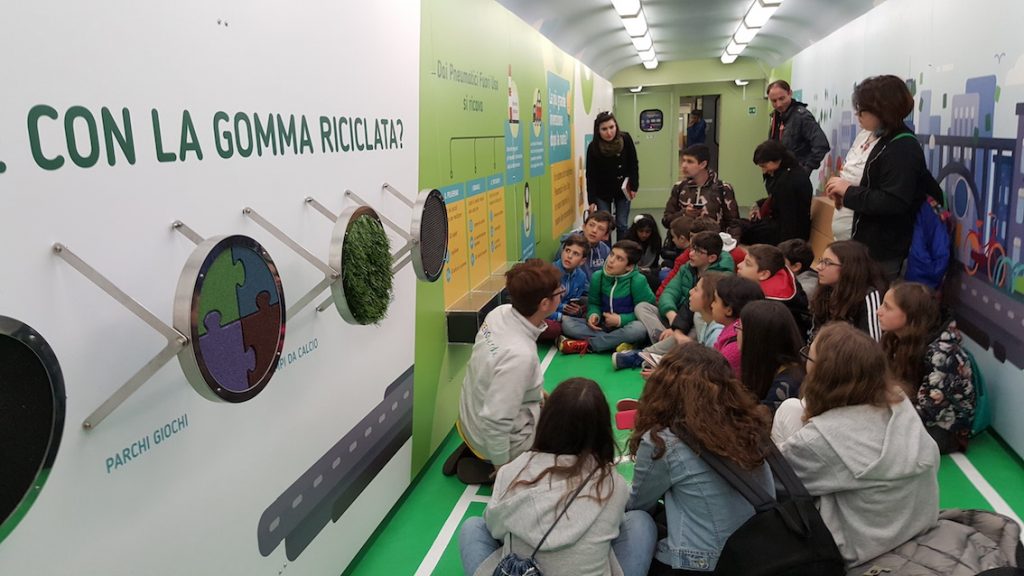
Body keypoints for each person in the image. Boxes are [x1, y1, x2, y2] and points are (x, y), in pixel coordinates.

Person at [772, 322, 940, 568]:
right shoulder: (900, 405)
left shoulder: (822, 440)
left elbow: (773, 482)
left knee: (789, 410)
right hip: (915, 526)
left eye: (809, 355)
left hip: (858, 552)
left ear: (823, 375)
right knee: (794, 408)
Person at [459, 378, 656, 576]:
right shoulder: (613, 484)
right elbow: (615, 527)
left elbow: (495, 528)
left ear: (546, 421)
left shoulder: (512, 471)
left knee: (473, 527)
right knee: (640, 521)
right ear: (602, 430)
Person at [627, 343, 774, 574]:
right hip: (760, 554)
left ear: (663, 387)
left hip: (704, 563)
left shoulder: (663, 441)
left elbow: (639, 504)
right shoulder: (750, 426)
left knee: (637, 522)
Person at [453, 259, 563, 483]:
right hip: (493, 440)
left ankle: (476, 452)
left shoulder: (499, 313)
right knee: (568, 435)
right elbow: (496, 422)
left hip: (468, 422)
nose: (562, 292)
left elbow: (498, 373)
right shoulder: (520, 356)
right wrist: (504, 471)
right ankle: (491, 466)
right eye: (559, 291)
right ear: (544, 304)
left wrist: (536, 393)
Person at [824, 75, 933, 281]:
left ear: (883, 110)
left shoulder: (903, 148)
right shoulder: (868, 134)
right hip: (854, 245)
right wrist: (840, 188)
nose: (857, 114)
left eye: (862, 109)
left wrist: (848, 191)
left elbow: (893, 201)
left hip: (878, 251)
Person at [877, 282, 976, 453]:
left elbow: (929, 411)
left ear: (910, 315)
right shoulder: (895, 338)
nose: (879, 311)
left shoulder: (942, 354)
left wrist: (882, 413)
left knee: (878, 439)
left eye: (887, 307)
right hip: (909, 409)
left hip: (944, 429)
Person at [613, 271, 726, 370]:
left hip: (697, 355)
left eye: (696, 289)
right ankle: (657, 353)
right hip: (673, 322)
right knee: (642, 307)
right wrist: (675, 326)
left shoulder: (716, 334)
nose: (690, 292)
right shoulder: (699, 314)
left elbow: (707, 371)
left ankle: (650, 355)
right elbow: (667, 293)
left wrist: (666, 371)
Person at [559, 240, 655, 354]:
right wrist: (594, 315)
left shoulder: (638, 281)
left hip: (627, 326)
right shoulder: (598, 276)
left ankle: (590, 345)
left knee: (638, 329)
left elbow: (648, 314)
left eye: (619, 259)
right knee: (568, 324)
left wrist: (620, 320)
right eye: (611, 254)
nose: (611, 260)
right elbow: (594, 303)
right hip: (603, 326)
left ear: (629, 266)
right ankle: (617, 343)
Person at [637, 231, 734, 343]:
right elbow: (669, 292)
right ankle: (662, 340)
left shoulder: (719, 277)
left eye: (697, 251)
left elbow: (701, 309)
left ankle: (657, 346)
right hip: (675, 317)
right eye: (691, 249)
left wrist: (678, 327)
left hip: (694, 322)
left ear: (711, 258)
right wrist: (673, 317)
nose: (691, 254)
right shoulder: (686, 268)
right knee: (642, 307)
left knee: (696, 321)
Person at [809, 240, 888, 342]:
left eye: (827, 263)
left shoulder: (868, 295)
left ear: (848, 268)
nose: (818, 267)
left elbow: (872, 343)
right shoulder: (824, 290)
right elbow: (814, 334)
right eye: (821, 261)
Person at [662, 144, 741, 239]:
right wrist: (684, 213)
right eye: (683, 161)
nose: (684, 166)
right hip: (684, 243)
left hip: (713, 243)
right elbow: (666, 220)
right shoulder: (679, 187)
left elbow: (734, 224)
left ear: (703, 164)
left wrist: (732, 244)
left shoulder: (722, 188)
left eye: (690, 161)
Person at [738, 300, 805, 412]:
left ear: (756, 337)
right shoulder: (776, 370)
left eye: (739, 327)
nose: (736, 333)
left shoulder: (784, 388)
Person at [735, 244, 812, 341]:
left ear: (764, 274)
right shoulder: (777, 273)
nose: (739, 265)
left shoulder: (768, 306)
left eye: (747, 263)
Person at [657, 216, 745, 299]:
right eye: (691, 237)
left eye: (697, 238)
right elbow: (670, 283)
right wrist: (660, 299)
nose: (692, 242)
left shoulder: (736, 255)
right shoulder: (687, 255)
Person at [743, 139, 812, 245]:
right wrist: (759, 205)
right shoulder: (791, 171)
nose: (764, 171)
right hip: (787, 226)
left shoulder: (787, 181)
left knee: (743, 230)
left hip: (789, 233)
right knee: (743, 226)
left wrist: (784, 248)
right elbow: (778, 199)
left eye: (764, 166)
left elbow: (788, 219)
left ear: (775, 160)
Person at [587, 111, 639, 240]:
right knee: (604, 226)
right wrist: (591, 200)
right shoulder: (593, 147)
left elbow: (633, 163)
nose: (609, 132)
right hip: (602, 191)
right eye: (604, 129)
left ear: (616, 126)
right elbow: (591, 175)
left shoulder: (625, 139)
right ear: (598, 130)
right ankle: (606, 251)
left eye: (611, 127)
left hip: (623, 189)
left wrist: (634, 186)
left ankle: (622, 250)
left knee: (622, 224)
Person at [766, 79, 830, 173]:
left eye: (782, 98)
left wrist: (806, 169)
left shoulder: (802, 116)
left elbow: (821, 145)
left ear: (790, 93)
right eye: (774, 101)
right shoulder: (777, 117)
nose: (778, 104)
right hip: (780, 173)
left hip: (795, 173)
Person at [831, 128, 881, 241]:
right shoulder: (864, 134)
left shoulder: (894, 144)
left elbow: (887, 200)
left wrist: (848, 191)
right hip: (841, 231)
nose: (858, 118)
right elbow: (848, 171)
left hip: (862, 235)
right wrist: (836, 185)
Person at [540, 234, 590, 342]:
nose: (569, 256)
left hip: (565, 315)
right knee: (554, 328)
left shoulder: (581, 276)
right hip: (548, 315)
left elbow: (573, 301)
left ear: (582, 261)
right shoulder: (549, 272)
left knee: (589, 308)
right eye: (567, 250)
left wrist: (576, 311)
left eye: (575, 254)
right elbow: (540, 307)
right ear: (562, 251)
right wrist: (561, 316)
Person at [711, 276, 765, 376]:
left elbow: (715, 377)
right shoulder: (730, 331)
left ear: (729, 310)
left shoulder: (734, 349)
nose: (711, 305)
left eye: (715, 300)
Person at [559, 210, 614, 280]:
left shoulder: (605, 250)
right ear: (584, 227)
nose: (594, 230)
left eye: (600, 229)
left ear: (606, 236)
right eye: (591, 225)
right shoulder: (569, 245)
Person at [622, 213, 662, 290]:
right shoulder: (627, 240)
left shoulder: (656, 241)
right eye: (641, 231)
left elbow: (655, 264)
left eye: (647, 232)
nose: (644, 235)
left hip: (649, 271)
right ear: (635, 230)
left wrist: (649, 270)